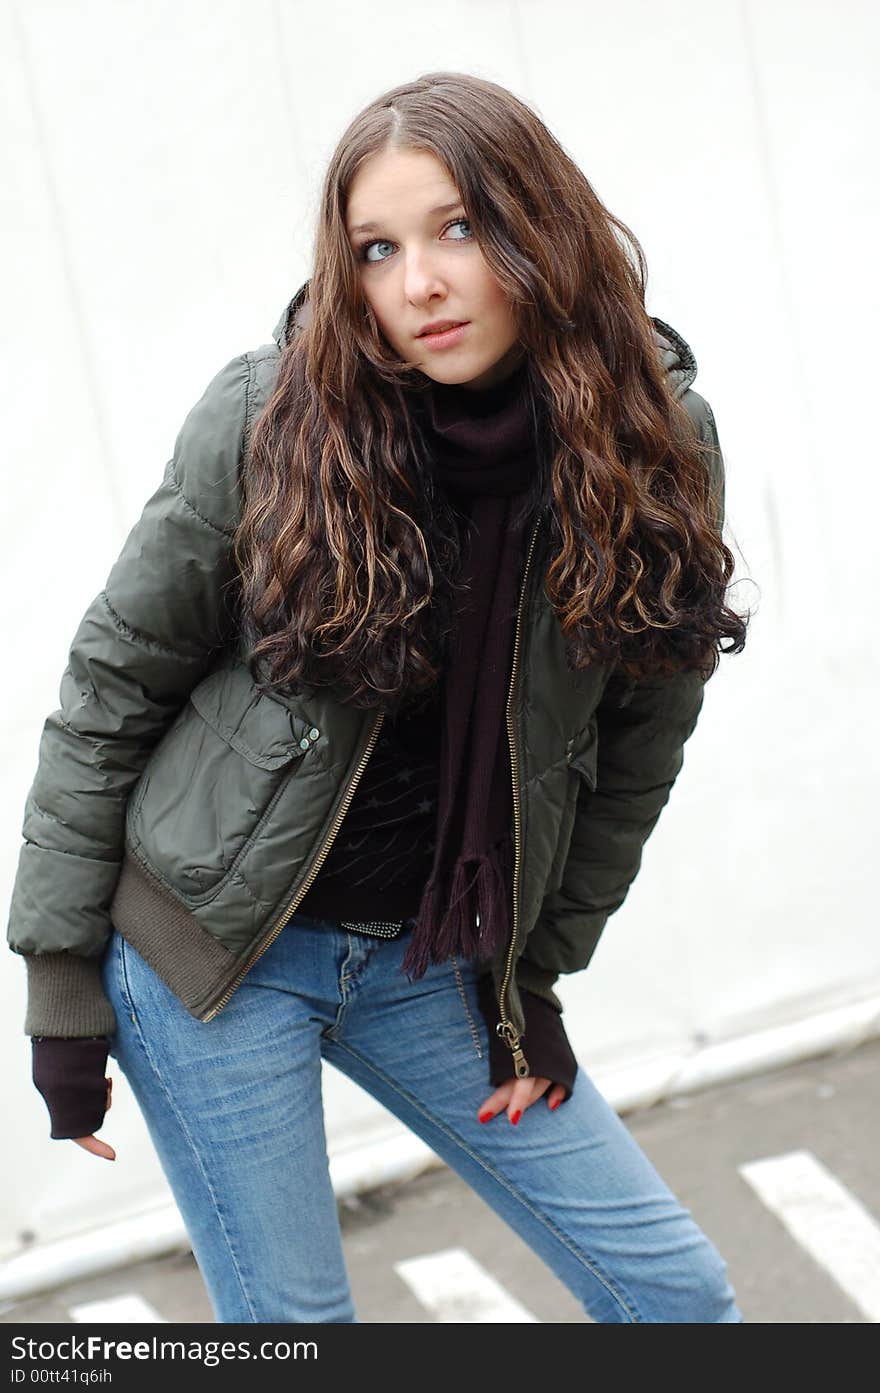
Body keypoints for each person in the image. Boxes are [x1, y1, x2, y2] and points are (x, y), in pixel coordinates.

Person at [8, 71, 750, 1323]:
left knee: (674, 1297)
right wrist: (61, 989)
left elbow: (635, 746)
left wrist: (532, 980)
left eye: (458, 227)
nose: (419, 283)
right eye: (376, 248)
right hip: (215, 958)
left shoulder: (647, 438)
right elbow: (110, 692)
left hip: (434, 959)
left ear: (540, 226)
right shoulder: (272, 419)